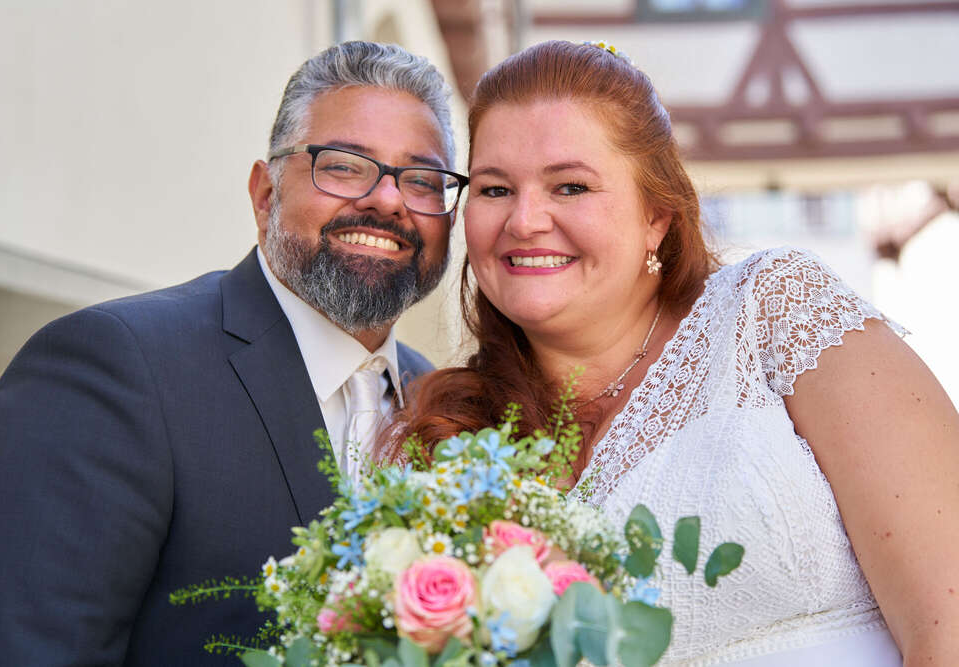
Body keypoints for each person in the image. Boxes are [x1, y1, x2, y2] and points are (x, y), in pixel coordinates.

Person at [392, 40, 959, 665]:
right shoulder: (452, 444)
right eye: (495, 189)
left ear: (656, 217)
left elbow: (948, 623)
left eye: (571, 186)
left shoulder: (773, 312)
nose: (525, 220)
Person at [0, 41, 465, 665]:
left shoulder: (449, 409)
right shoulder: (111, 369)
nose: (388, 200)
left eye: (422, 180)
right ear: (264, 194)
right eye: (344, 165)